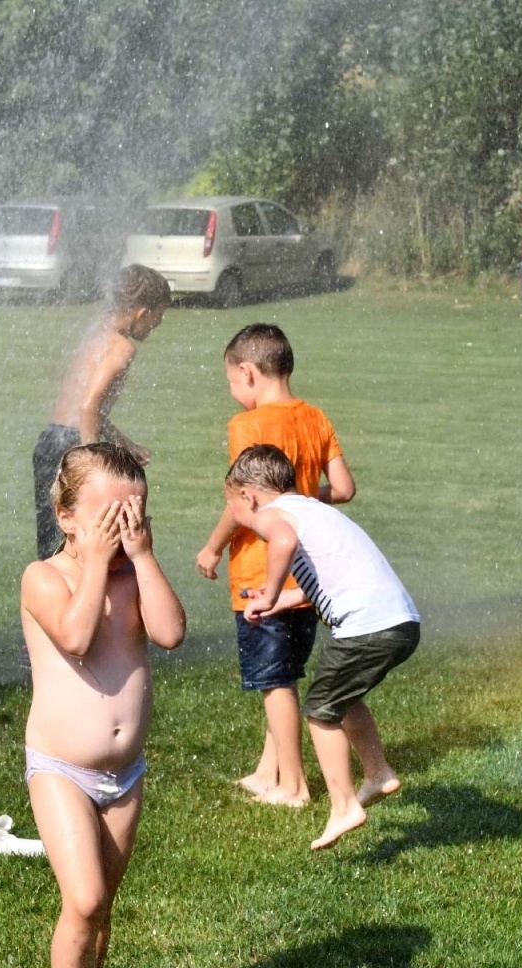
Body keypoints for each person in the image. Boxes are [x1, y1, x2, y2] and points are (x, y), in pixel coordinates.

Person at [21, 443, 185, 968]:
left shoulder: (135, 575)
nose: (124, 528)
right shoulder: (45, 577)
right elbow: (76, 636)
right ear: (67, 518)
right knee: (85, 898)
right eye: (111, 518)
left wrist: (142, 557)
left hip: (125, 774)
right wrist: (94, 562)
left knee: (100, 908)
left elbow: (170, 633)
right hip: (61, 769)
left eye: (135, 514)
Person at [193, 324, 355, 807]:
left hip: (261, 575)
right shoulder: (316, 417)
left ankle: (294, 785)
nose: (232, 391)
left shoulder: (246, 426)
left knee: (274, 682)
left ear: (247, 372)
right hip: (305, 576)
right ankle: (270, 771)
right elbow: (343, 489)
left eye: (230, 381)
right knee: (283, 673)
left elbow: (243, 500)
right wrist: (302, 499)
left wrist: (213, 547)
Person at [225, 444, 414, 851]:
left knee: (320, 708)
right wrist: (282, 599)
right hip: (399, 622)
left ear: (247, 496)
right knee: (343, 697)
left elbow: (283, 541)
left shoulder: (274, 515)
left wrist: (267, 592)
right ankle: (378, 773)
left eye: (232, 507)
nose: (234, 517)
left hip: (367, 626)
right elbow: (332, 578)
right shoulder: (312, 509)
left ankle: (344, 806)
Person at [32, 264, 170, 560]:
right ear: (142, 313)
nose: (158, 323)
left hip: (51, 441)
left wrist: (126, 444)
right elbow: (89, 406)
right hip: (72, 445)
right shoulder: (122, 347)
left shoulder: (97, 334)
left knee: (55, 545)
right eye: (158, 316)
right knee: (85, 547)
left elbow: (89, 411)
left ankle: (46, 588)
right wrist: (91, 461)